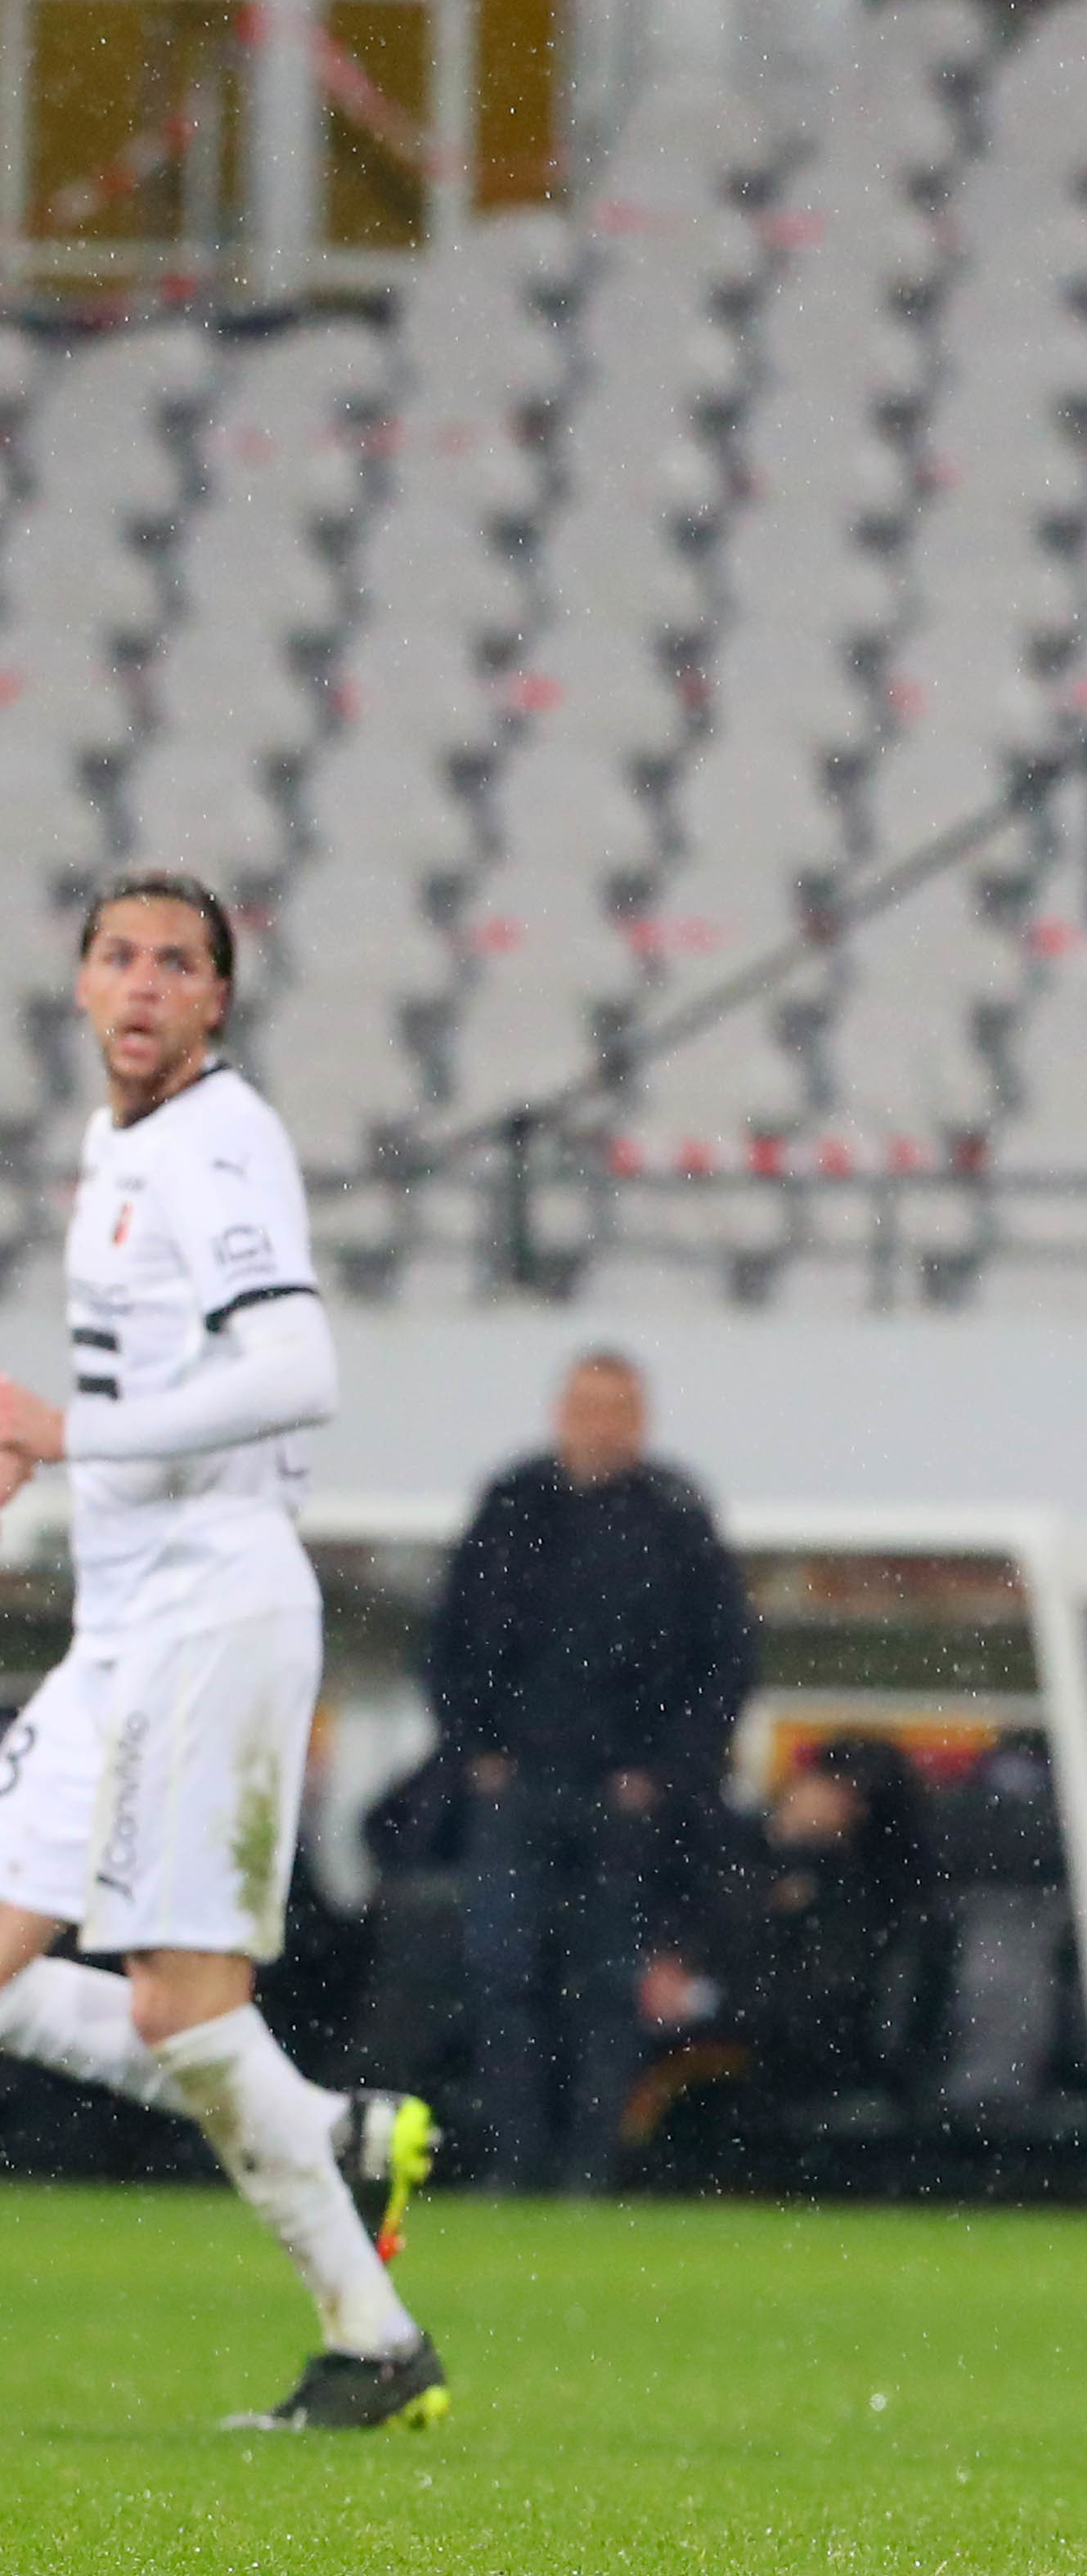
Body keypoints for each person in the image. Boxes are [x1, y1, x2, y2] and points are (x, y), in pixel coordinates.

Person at [0, 873, 446, 2427]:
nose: (140, 983)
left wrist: (72, 1430)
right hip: (124, 1615)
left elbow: (295, 1365)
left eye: (175, 963)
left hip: (218, 1611)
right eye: (116, 955)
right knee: (132, 2003)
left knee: (184, 2003)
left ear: (216, 1001)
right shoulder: (118, 1143)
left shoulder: (219, 1139)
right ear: (78, 987)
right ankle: (328, 2137)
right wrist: (56, 1452)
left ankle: (374, 2340)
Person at [421, 1349, 757, 2193]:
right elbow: (448, 1640)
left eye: (616, 1408)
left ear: (641, 1420)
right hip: (519, 1786)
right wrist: (479, 1752)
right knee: (504, 1974)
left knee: (610, 1983)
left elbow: (722, 1660)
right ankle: (514, 2160)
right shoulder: (511, 1505)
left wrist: (664, 1772)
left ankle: (592, 2167)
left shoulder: (675, 1516)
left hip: (628, 1798)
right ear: (559, 1412)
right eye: (585, 1405)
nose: (599, 1423)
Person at [627, 1732, 953, 2176]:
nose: (815, 1800)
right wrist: (665, 1970)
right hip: (699, 2033)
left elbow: (820, 2003)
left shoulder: (859, 1897)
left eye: (841, 1793)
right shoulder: (730, 1858)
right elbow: (685, 1929)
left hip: (781, 2055)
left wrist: (702, 2000)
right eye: (821, 1783)